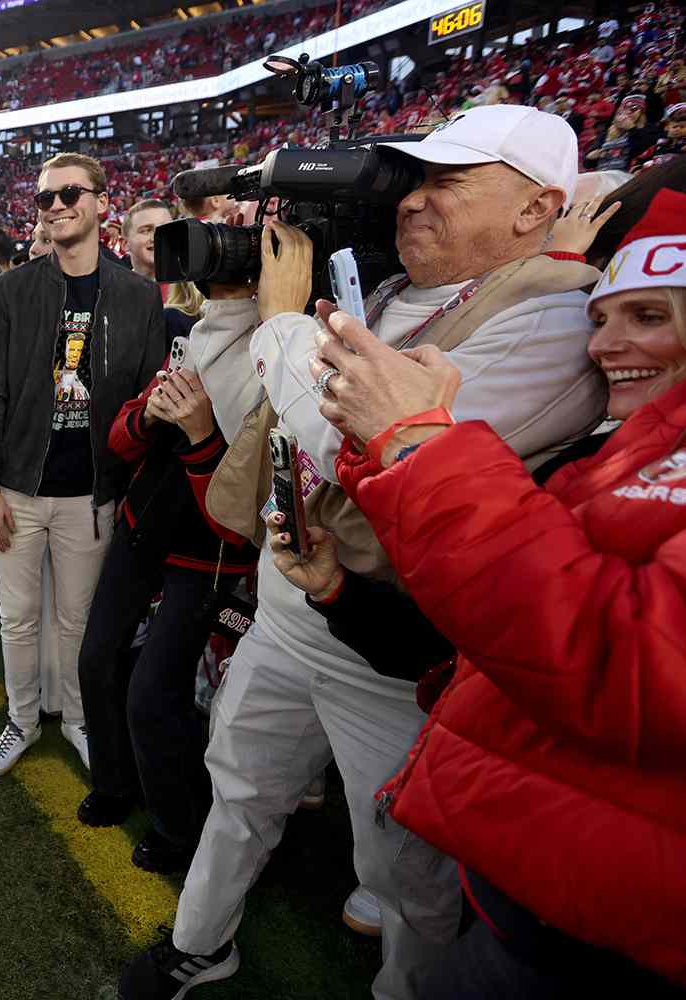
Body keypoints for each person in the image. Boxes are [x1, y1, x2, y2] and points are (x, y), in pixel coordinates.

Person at [122, 104, 609, 1000]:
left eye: (448, 182)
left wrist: (280, 328)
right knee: (239, 787)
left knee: (403, 866)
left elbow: (357, 448)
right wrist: (239, 312)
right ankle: (201, 940)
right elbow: (251, 419)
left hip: (391, 647)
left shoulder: (555, 319)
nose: (415, 201)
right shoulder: (379, 290)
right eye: (414, 179)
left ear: (538, 208)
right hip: (289, 598)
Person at [278, 189, 686, 997]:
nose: (606, 345)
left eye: (648, 316)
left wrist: (416, 445)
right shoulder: (626, 447)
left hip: (622, 920)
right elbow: (505, 615)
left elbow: (622, 659)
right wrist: (343, 584)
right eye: (602, 318)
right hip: (557, 871)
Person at [0, 152, 170, 777]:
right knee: (19, 620)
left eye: (69, 194)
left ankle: (79, 720)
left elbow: (148, 405)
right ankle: (22, 720)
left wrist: (125, 489)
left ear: (101, 202)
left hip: (93, 493)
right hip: (16, 489)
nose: (55, 206)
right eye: (45, 198)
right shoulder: (10, 292)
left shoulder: (138, 297)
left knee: (78, 621)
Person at [75, 200, 256, 873]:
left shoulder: (279, 350)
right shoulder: (197, 334)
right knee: (97, 660)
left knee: (155, 692)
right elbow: (122, 439)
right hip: (142, 528)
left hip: (209, 556)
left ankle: (179, 824)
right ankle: (117, 783)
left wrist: (203, 437)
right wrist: (151, 416)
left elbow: (238, 515)